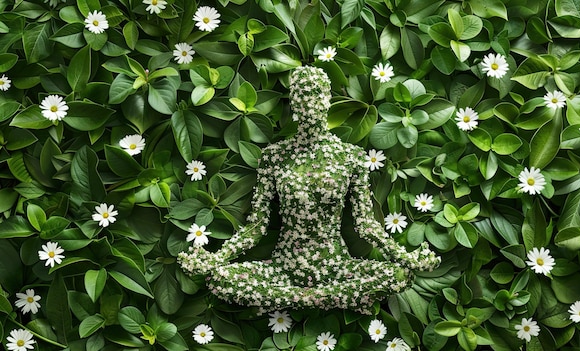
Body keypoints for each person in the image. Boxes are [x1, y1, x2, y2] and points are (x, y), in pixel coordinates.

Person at [178, 66, 440, 314]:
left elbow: (365, 225)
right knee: (218, 279)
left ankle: (303, 298)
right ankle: (318, 298)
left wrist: (405, 258)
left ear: (327, 100)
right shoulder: (275, 157)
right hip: (283, 269)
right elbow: (256, 226)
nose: (309, 104)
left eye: (315, 95)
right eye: (302, 96)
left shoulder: (351, 157)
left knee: (399, 275)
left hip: (337, 268)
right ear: (293, 102)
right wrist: (216, 258)